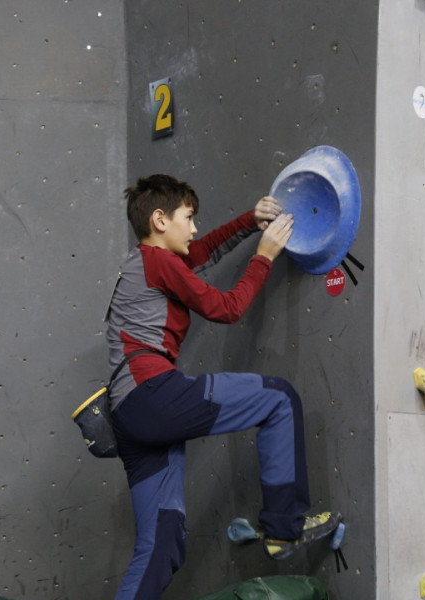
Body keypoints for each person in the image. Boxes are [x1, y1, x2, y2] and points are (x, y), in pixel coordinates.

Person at [105, 174, 341, 599]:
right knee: (278, 397)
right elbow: (227, 308)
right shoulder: (157, 262)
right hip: (152, 395)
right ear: (160, 220)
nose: (194, 228)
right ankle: (283, 529)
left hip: (129, 415)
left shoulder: (144, 263)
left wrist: (249, 221)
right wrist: (265, 255)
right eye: (188, 218)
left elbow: (202, 252)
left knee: (161, 545)